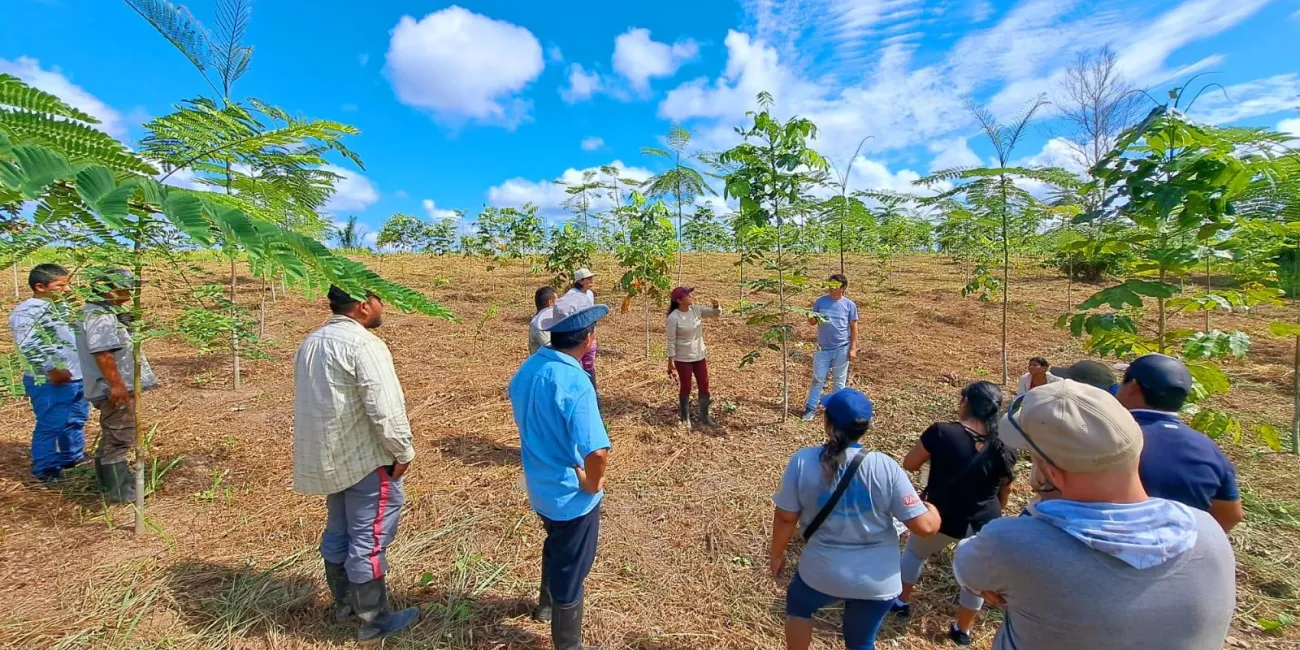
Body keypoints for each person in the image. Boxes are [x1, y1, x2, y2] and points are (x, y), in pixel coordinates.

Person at [954, 380, 1236, 650]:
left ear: (1050, 472)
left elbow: (968, 565)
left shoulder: (1012, 543)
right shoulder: (1207, 530)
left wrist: (1045, 502)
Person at [293, 287, 419, 645]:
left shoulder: (311, 342)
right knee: (368, 537)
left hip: (331, 458)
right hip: (365, 459)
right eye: (381, 301)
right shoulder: (363, 345)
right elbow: (384, 407)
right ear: (364, 307)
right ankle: (373, 620)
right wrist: (402, 452)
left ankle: (345, 603)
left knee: (339, 530)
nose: (384, 308)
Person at [771, 388, 941, 650]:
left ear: (828, 424)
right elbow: (923, 527)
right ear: (865, 428)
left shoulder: (802, 461)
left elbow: (785, 517)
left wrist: (777, 554)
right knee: (861, 640)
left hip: (820, 573)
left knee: (798, 608)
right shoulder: (885, 466)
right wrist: (933, 511)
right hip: (877, 582)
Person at [509, 297, 613, 650]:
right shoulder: (576, 382)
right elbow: (596, 452)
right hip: (571, 496)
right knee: (572, 567)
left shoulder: (527, 370)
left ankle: (545, 605)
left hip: (540, 487)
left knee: (556, 545)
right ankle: (568, 644)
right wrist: (593, 483)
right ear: (588, 338)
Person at [897, 381, 1015, 646]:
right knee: (975, 577)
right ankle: (962, 631)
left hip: (941, 514)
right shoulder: (1004, 445)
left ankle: (901, 602)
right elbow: (1005, 488)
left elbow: (910, 463)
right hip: (984, 519)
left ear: (965, 402)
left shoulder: (942, 433)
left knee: (915, 553)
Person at [1116, 353, 1243, 532]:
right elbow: (1232, 514)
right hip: (1186, 551)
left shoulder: (1114, 437)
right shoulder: (1208, 447)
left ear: (1133, 387)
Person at [75, 268, 157, 503]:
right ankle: (119, 491)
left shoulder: (101, 314)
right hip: (111, 388)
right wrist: (117, 385)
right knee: (119, 437)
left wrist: (124, 325)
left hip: (110, 385)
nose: (130, 293)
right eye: (126, 288)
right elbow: (102, 353)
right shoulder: (98, 316)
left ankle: (107, 484)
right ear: (109, 289)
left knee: (112, 433)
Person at [8, 264, 88, 483]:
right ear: (40, 287)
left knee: (75, 419)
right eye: (61, 285)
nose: (67, 290)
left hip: (76, 376)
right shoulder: (27, 311)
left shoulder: (60, 308)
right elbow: (28, 344)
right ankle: (45, 468)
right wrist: (51, 369)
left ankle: (72, 456)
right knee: (52, 423)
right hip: (50, 380)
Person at [801, 274, 859, 421]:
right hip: (822, 349)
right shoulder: (821, 302)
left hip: (842, 348)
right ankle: (810, 408)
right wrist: (810, 317)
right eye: (830, 285)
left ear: (843, 288)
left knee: (839, 381)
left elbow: (853, 327)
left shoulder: (849, 305)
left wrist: (853, 348)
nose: (831, 288)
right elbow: (813, 322)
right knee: (817, 379)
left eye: (835, 286)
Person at [665, 286, 722, 428]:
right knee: (686, 387)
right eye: (687, 295)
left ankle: (705, 417)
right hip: (683, 358)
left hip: (699, 355)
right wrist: (670, 361)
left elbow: (715, 314)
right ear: (679, 300)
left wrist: (716, 305)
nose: (690, 297)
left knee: (704, 384)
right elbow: (671, 340)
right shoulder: (673, 318)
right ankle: (686, 419)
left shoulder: (696, 310)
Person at [565, 268, 599, 389]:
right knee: (577, 365)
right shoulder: (571, 295)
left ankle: (592, 392)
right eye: (588, 279)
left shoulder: (590, 294)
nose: (591, 281)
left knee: (589, 365)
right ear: (580, 281)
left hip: (589, 335)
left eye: (591, 278)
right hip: (578, 336)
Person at [530, 286, 557, 354]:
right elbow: (551, 350)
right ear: (550, 303)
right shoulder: (540, 324)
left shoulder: (546, 320)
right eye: (557, 301)